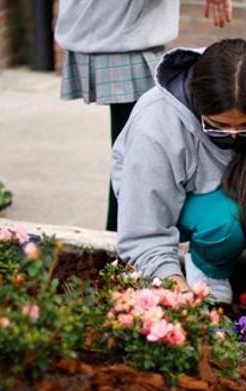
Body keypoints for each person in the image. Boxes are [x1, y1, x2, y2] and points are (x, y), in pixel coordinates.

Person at [112, 39, 246, 305]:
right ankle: (208, 272)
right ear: (198, 105)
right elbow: (145, 235)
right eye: (218, 126)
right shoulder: (156, 124)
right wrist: (183, 297)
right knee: (224, 223)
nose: (233, 136)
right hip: (189, 206)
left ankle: (243, 251)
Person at [55, 0, 234, 232]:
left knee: (138, 152)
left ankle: (124, 246)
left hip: (121, 29)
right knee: (139, 156)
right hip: (117, 31)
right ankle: (126, 249)